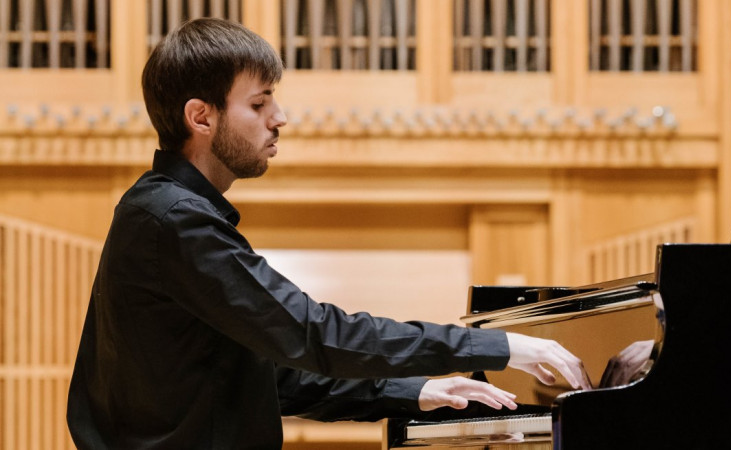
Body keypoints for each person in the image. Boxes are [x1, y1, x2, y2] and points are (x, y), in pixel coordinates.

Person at [67, 18, 591, 449]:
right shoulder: (174, 220)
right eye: (259, 103)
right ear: (201, 117)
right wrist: (497, 346)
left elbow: (271, 377)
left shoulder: (166, 213)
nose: (281, 118)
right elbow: (315, 334)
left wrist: (417, 391)